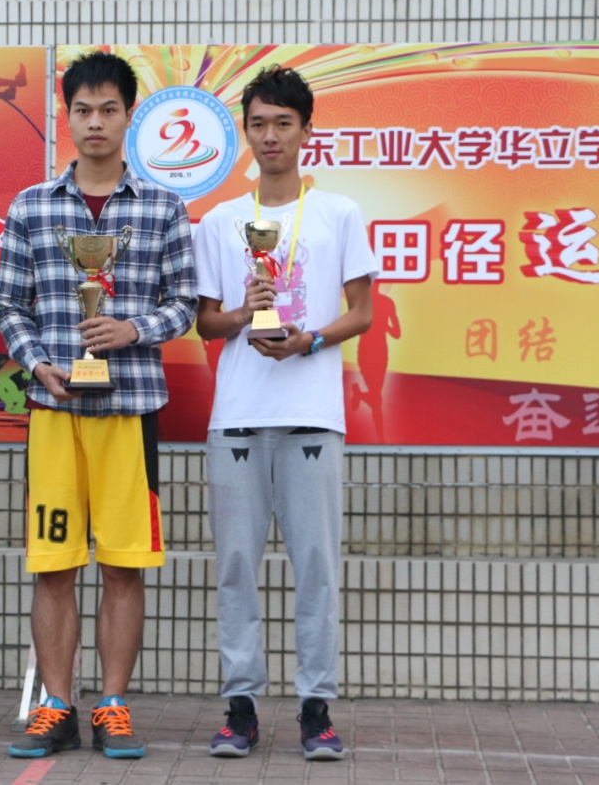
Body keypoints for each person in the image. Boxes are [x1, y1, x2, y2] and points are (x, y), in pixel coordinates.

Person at [0, 51, 196, 760]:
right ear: (67, 116)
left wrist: (131, 329)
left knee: (122, 565)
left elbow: (184, 304)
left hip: (129, 410)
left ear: (129, 116)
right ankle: (56, 705)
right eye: (82, 110)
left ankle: (112, 704)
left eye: (109, 109)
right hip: (54, 413)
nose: (95, 122)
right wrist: (36, 363)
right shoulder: (31, 206)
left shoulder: (163, 207)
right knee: (53, 564)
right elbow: (9, 306)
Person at [191, 65, 376, 761]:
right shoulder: (220, 221)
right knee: (236, 564)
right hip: (238, 414)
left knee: (316, 566)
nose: (270, 136)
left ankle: (314, 707)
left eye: (282, 123)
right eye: (259, 124)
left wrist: (309, 341)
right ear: (245, 132)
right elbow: (207, 322)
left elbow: (362, 311)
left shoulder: (338, 213)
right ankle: (240, 706)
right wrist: (247, 313)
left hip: (311, 414)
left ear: (305, 131)